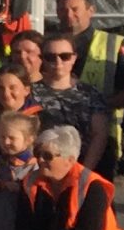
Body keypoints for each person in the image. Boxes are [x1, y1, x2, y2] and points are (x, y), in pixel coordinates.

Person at [52, 0, 124, 178]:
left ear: (90, 10)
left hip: (98, 141)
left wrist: (96, 105)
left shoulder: (110, 45)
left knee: (95, 201)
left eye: (75, 9)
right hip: (54, 140)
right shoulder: (48, 45)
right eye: (62, 9)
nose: (69, 15)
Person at [29, 32, 112, 172]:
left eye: (65, 56)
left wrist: (84, 171)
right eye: (50, 57)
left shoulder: (90, 94)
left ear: (74, 58)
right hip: (40, 169)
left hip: (80, 167)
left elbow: (100, 134)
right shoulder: (30, 92)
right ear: (42, 59)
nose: (58, 62)